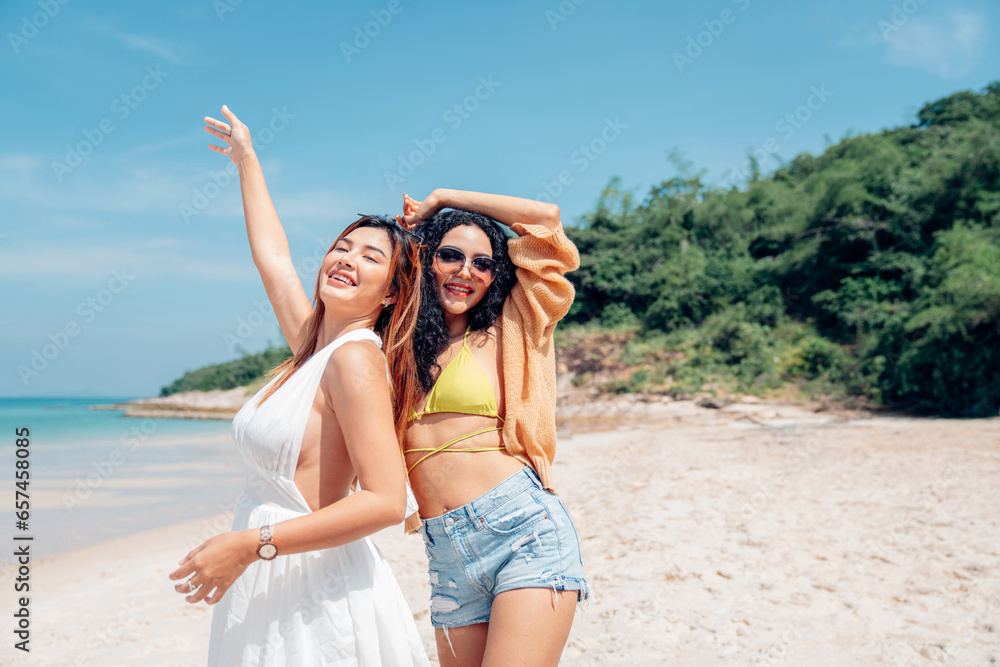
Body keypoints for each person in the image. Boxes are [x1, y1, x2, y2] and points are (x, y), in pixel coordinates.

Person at [168, 106, 429, 666]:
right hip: (271, 576)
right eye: (342, 246)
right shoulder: (315, 348)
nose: (346, 259)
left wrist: (247, 544)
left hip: (313, 585)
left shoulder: (355, 360)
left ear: (390, 293)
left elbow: (386, 501)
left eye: (370, 256)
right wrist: (246, 160)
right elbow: (275, 262)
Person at [397, 189, 587, 666]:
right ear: (425, 259)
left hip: (523, 530)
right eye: (451, 255)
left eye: (483, 263)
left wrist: (441, 199)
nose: (466, 271)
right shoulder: (393, 339)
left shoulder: (513, 326)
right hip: (443, 549)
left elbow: (546, 222)